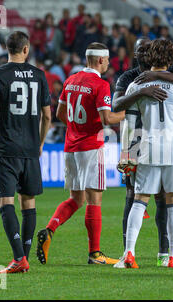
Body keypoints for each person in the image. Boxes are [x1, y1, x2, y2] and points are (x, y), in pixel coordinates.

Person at [36, 42, 125, 265]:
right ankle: (95, 253)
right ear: (101, 60)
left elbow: (59, 113)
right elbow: (107, 119)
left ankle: (49, 229)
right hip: (91, 148)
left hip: (70, 147)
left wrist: (76, 128)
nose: (108, 65)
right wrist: (128, 113)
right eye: (107, 61)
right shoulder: (101, 84)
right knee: (94, 199)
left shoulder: (70, 80)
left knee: (76, 198)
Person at [111, 38, 173, 268]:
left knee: (139, 201)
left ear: (149, 58)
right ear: (171, 58)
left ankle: (129, 254)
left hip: (147, 145)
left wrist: (127, 149)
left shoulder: (138, 84)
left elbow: (123, 112)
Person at [0, 31, 52, 273]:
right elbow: (47, 116)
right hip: (30, 150)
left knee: (5, 201)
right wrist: (41, 143)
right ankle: (23, 255)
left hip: (6, 148)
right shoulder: (39, 75)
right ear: (26, 49)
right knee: (28, 201)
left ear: (7, 49)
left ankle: (18, 258)